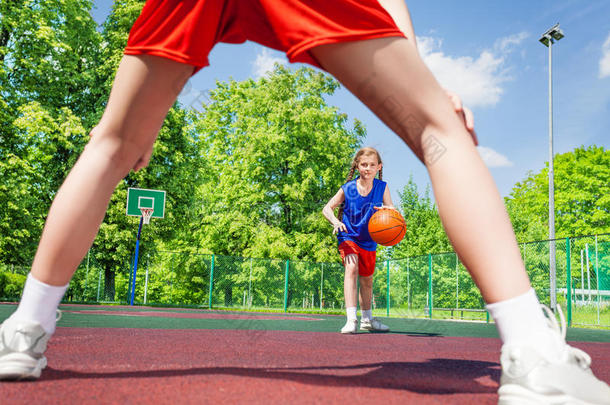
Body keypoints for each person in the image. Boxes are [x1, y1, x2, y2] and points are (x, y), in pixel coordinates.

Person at [0, 0, 608, 403]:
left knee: (110, 144)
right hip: (350, 226)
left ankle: (24, 332)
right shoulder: (349, 187)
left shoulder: (376, 188)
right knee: (439, 129)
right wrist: (425, 79)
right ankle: (532, 350)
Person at [322, 147, 394, 334]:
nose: (368, 168)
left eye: (372, 165)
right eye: (364, 164)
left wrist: (389, 215)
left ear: (379, 167)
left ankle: (367, 320)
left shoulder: (382, 187)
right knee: (351, 268)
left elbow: (392, 210)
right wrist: (336, 222)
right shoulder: (348, 188)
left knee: (367, 280)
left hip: (369, 239)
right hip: (348, 235)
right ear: (357, 166)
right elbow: (327, 208)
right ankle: (351, 319)